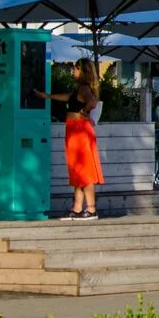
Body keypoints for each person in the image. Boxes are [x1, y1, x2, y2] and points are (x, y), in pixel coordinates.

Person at [61, 85, 103, 221]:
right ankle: (77, 207)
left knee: (84, 169)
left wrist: (83, 111)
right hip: (74, 127)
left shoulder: (84, 87)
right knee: (77, 169)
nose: (74, 71)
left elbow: (92, 102)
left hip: (79, 127)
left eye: (76, 68)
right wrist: (47, 96)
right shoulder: (78, 90)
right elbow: (66, 97)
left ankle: (91, 208)